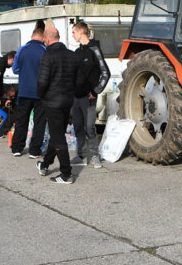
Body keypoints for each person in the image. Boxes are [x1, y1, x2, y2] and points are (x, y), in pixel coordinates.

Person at [36, 27, 82, 184]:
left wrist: (41, 95)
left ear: (47, 39)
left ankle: (66, 174)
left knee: (58, 136)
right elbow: (79, 80)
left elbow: (42, 81)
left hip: (52, 101)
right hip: (67, 100)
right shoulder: (72, 55)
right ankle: (45, 164)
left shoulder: (47, 55)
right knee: (57, 134)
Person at [71, 21, 110, 168]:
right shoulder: (76, 52)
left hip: (89, 98)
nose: (72, 35)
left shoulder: (94, 49)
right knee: (78, 126)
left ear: (82, 32)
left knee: (90, 127)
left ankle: (95, 156)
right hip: (76, 97)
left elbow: (106, 73)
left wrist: (96, 90)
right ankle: (80, 156)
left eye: (74, 32)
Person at [10, 22, 48, 158]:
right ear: (42, 38)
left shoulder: (21, 49)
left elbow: (15, 69)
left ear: (32, 36)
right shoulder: (45, 50)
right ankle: (34, 150)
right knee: (39, 122)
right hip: (40, 92)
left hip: (24, 91)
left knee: (21, 120)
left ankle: (17, 148)